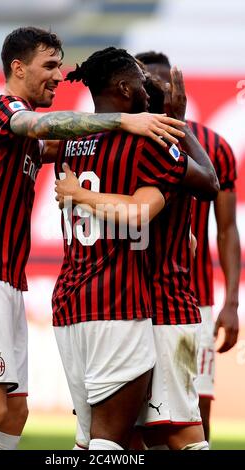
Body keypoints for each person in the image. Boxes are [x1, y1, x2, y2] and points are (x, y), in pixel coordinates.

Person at [0, 28, 186, 452]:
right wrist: (125, 118)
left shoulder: (28, 138)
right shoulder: (3, 110)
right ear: (18, 68)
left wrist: (134, 121)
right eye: (50, 66)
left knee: (14, 412)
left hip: (6, 281)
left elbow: (74, 144)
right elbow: (41, 125)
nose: (59, 76)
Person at [52, 47, 218, 451]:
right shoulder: (155, 145)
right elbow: (206, 184)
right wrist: (177, 124)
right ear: (127, 90)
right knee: (169, 435)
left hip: (75, 301)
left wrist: (77, 194)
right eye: (144, 82)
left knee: (113, 438)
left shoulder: (70, 143)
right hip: (140, 307)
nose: (150, 87)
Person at [136, 51, 240, 443]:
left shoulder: (214, 146)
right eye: (154, 85)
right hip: (133, 300)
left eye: (168, 85)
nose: (163, 92)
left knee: (196, 416)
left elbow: (227, 230)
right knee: (136, 422)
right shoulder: (129, 141)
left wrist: (231, 302)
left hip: (193, 304)